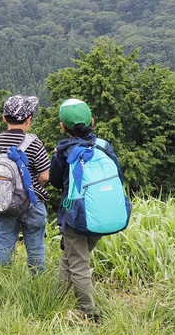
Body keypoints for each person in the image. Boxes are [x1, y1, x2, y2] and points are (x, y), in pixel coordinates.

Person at [50, 98, 122, 323]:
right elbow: (119, 174)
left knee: (78, 261)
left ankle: (89, 312)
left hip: (75, 213)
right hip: (103, 211)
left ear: (63, 127)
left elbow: (54, 181)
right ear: (92, 121)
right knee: (73, 255)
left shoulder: (63, 151)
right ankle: (55, 297)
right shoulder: (104, 145)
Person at [0, 95, 51, 274]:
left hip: (3, 202)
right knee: (35, 247)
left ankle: (4, 281)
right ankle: (38, 283)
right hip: (31, 202)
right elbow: (45, 176)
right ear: (29, 120)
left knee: (4, 245)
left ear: (4, 118)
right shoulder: (34, 143)